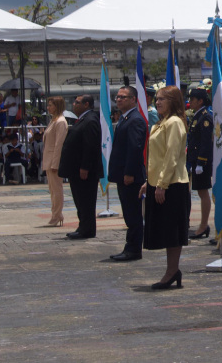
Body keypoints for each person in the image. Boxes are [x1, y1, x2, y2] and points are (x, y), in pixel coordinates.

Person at [140, 85, 190, 290]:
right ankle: (171, 270)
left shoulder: (175, 123)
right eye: (157, 99)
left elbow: (171, 155)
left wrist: (161, 184)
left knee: (172, 231)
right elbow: (157, 158)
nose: (157, 102)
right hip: (160, 182)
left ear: (174, 101)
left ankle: (172, 271)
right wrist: (149, 182)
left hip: (173, 184)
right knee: (165, 230)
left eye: (163, 99)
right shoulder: (161, 124)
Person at [108, 85, 148, 261]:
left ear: (133, 99)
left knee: (133, 214)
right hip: (122, 174)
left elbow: (135, 148)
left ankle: (133, 249)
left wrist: (129, 172)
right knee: (128, 212)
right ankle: (130, 246)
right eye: (117, 97)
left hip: (130, 176)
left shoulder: (135, 120)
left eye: (123, 97)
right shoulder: (125, 118)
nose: (118, 99)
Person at [58, 94, 103, 239]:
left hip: (84, 170)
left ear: (86, 104)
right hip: (76, 169)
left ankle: (87, 229)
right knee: (80, 200)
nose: (74, 104)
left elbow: (91, 146)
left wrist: (85, 167)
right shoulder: (83, 119)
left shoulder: (90, 120)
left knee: (86, 201)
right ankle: (83, 226)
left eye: (77, 102)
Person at [185, 88, 214, 239]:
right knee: (200, 192)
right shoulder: (197, 116)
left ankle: (203, 225)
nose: (190, 101)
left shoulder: (205, 117)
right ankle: (203, 225)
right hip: (195, 160)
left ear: (200, 101)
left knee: (203, 193)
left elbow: (205, 143)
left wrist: (201, 163)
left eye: (193, 99)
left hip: (201, 162)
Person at [42, 97, 68, 227]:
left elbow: (59, 144)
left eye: (51, 105)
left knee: (57, 190)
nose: (48, 107)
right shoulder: (54, 120)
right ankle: (56, 214)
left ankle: (57, 214)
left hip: (54, 160)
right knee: (52, 190)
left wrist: (55, 163)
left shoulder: (61, 122)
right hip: (48, 158)